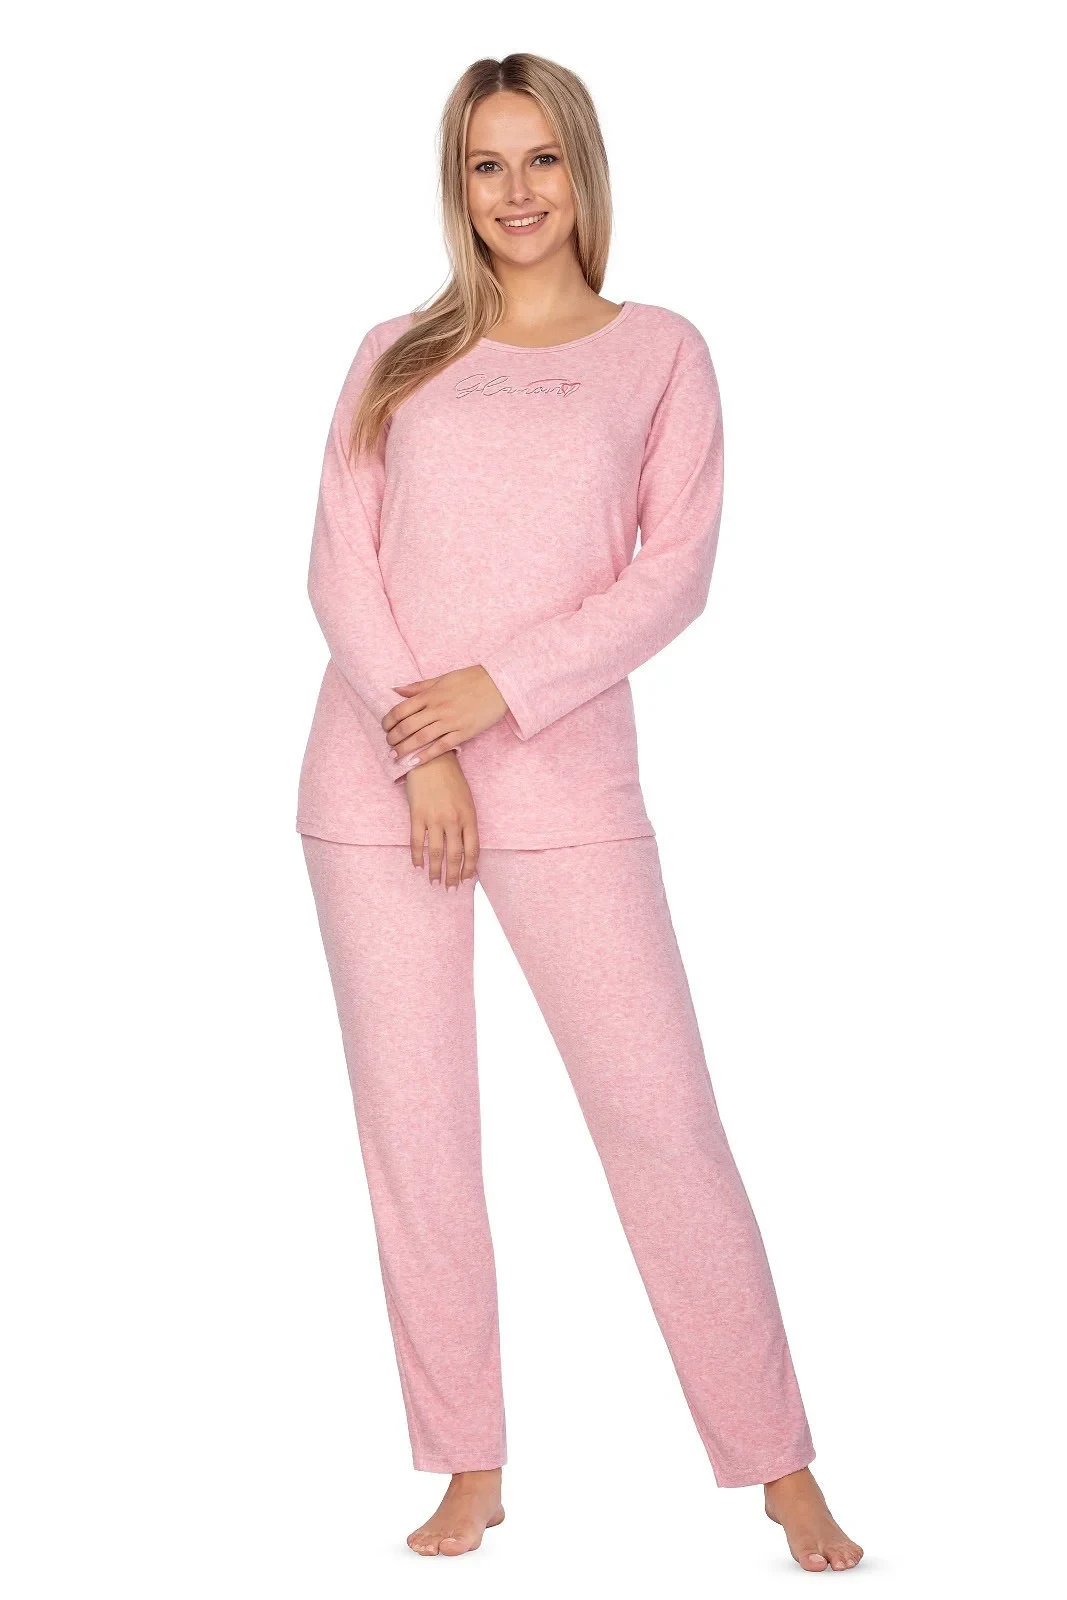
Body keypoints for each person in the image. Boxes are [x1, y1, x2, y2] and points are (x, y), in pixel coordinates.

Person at [296, 51, 863, 1574]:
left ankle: (778, 1465)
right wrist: (419, 745)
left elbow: (672, 576)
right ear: (456, 183)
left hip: (566, 785)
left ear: (584, 170)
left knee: (663, 1123)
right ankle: (467, 1465)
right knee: (418, 1140)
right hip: (375, 785)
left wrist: (496, 691)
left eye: (541, 158)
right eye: (487, 163)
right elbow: (339, 563)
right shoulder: (392, 354)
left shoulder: (660, 353)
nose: (517, 191)